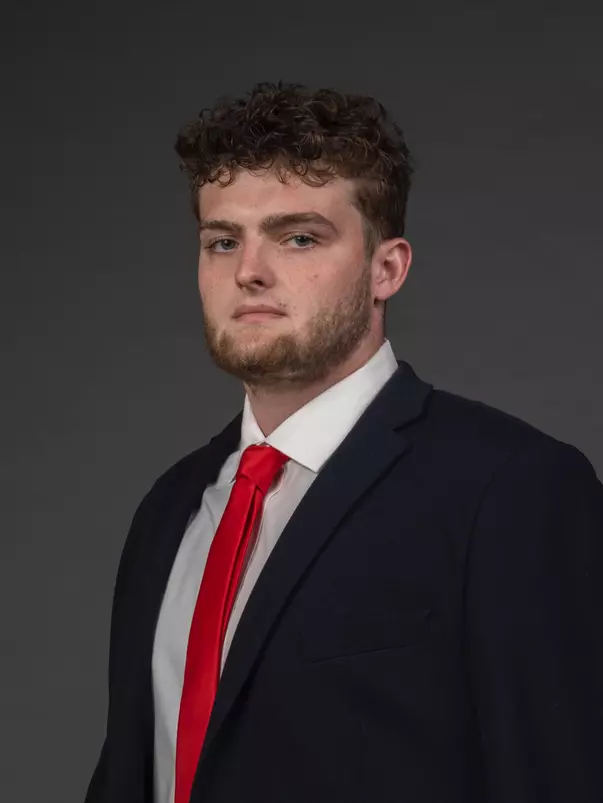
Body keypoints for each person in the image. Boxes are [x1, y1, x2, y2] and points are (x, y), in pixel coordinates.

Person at [84, 80, 603, 803]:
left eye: (299, 237)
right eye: (222, 241)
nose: (248, 271)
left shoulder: (512, 490)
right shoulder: (169, 510)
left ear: (386, 268)